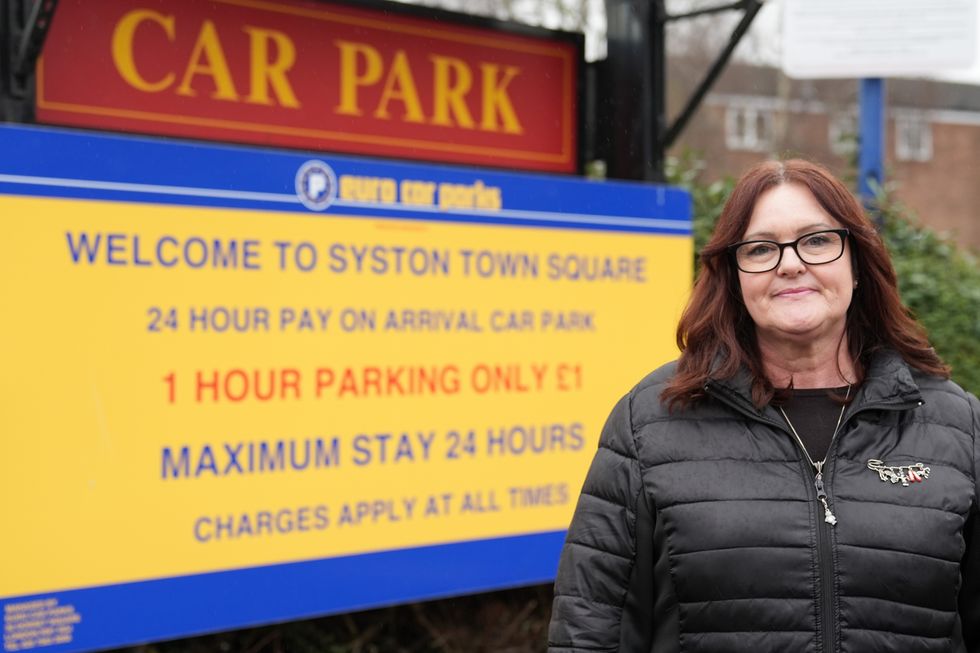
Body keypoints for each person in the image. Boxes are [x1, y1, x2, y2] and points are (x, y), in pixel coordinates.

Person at [548, 159, 980, 653]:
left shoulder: (955, 423)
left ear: (857, 263)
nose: (790, 263)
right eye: (760, 248)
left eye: (817, 240)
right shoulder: (650, 422)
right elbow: (590, 629)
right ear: (733, 278)